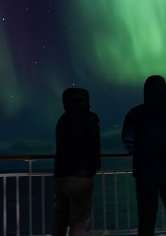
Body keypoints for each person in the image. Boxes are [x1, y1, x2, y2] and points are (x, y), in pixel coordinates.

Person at [121, 75, 166, 236]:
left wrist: (138, 152)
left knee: (146, 220)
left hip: (145, 175)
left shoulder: (135, 113)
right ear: (164, 91)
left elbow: (127, 138)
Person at [52, 87, 101, 236]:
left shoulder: (62, 120)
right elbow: (93, 144)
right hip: (81, 175)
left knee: (60, 219)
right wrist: (94, 167)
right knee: (79, 220)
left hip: (61, 175)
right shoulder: (90, 118)